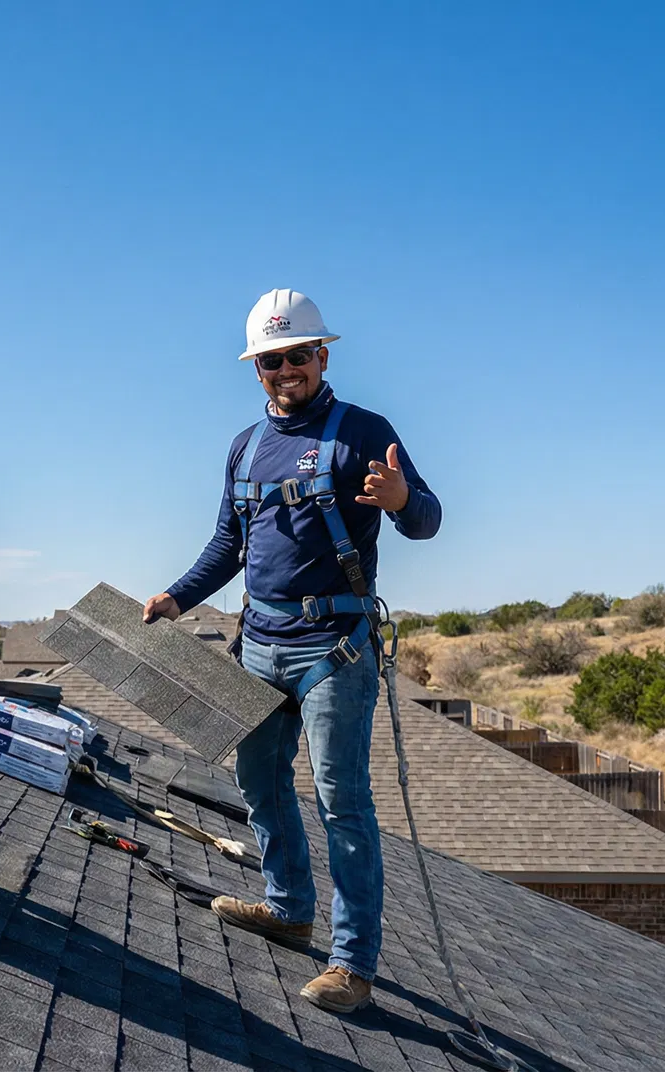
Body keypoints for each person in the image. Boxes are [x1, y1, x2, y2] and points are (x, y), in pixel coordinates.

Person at [143, 289, 440, 1014]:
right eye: (271, 361)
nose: (286, 371)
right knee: (260, 782)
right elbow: (228, 544)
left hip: (334, 648)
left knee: (341, 801)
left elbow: (427, 520)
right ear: (257, 369)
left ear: (322, 356)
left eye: (297, 356)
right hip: (260, 644)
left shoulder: (363, 432)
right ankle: (288, 910)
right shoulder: (245, 447)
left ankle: (352, 964)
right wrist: (177, 597)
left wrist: (401, 500)